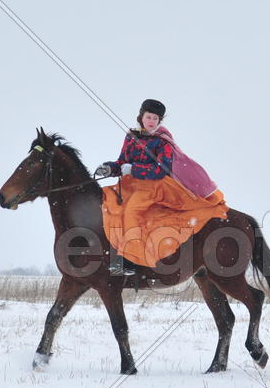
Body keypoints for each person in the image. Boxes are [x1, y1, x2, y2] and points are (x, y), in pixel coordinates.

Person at [95, 99, 226, 276]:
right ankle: (112, 251)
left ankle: (131, 261)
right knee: (109, 203)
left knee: (131, 211)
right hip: (131, 184)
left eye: (155, 119)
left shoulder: (163, 142)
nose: (151, 121)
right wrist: (110, 168)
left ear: (159, 121)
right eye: (148, 117)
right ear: (141, 117)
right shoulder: (131, 137)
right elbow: (122, 162)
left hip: (155, 186)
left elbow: (160, 169)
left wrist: (133, 169)